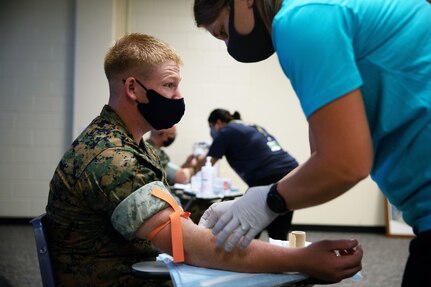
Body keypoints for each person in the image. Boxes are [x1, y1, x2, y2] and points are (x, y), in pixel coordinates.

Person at [45, 32, 363, 286]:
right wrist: (302, 260)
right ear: (133, 88)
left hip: (140, 264)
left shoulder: (132, 144)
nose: (179, 96)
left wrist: (224, 208)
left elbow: (168, 213)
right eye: (169, 85)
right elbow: (188, 246)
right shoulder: (111, 158)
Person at [193, 0, 431, 286]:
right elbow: (322, 156)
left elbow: (345, 164)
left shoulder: (299, 21)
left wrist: (268, 201)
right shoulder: (312, 14)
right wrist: (254, 199)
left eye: (223, 32)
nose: (229, 45)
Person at [200, 108, 299, 241]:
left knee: (246, 228)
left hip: (269, 175)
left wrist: (191, 166)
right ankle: (279, 258)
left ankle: (242, 258)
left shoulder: (226, 131)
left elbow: (208, 162)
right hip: (291, 172)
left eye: (211, 127)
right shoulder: (252, 125)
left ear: (217, 123)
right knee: (278, 232)